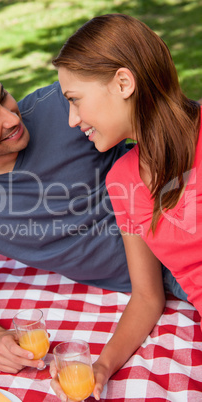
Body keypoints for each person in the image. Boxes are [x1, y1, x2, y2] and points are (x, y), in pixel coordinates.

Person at [0, 50, 132, 375]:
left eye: (3, 96)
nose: (12, 118)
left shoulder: (65, 107)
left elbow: (160, 127)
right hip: (148, 287)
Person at [51, 13, 201, 400]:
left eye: (75, 100)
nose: (72, 120)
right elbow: (148, 296)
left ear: (123, 82)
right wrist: (102, 366)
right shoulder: (122, 181)